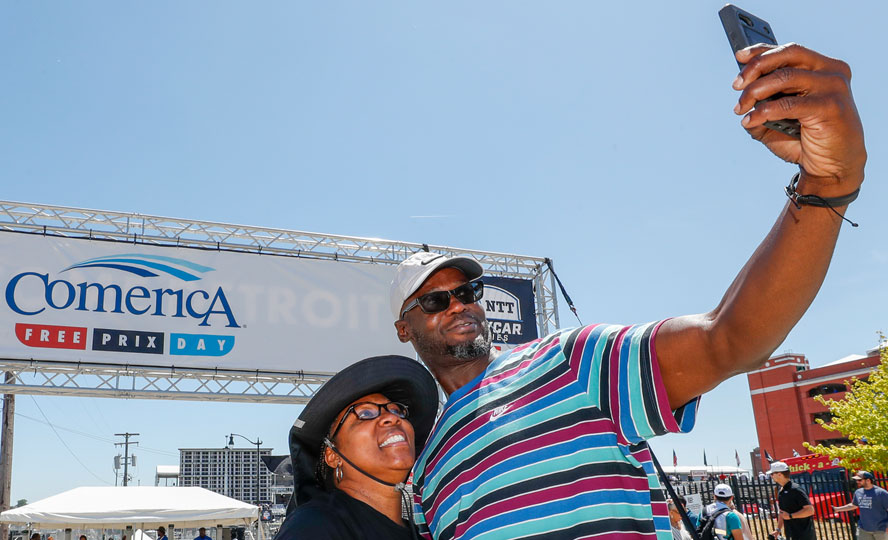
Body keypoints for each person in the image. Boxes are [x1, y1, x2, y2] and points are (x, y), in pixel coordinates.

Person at [390, 42, 865, 539]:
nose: (460, 305)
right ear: (405, 329)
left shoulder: (568, 363)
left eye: (468, 291)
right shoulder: (424, 467)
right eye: (435, 300)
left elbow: (728, 339)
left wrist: (828, 183)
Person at [275, 355, 438, 540]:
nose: (393, 418)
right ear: (332, 455)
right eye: (366, 413)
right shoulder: (314, 526)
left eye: (396, 410)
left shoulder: (422, 533)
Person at [833, 470, 888, 540]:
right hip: (863, 529)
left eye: (859, 480)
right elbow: (854, 505)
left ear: (868, 480)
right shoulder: (858, 492)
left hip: (881, 529)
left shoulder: (881, 493)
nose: (857, 482)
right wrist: (838, 509)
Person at [768, 461, 815, 540]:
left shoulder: (796, 489)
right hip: (791, 534)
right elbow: (782, 513)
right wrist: (778, 530)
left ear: (780, 474)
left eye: (772, 474)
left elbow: (810, 510)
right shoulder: (781, 491)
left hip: (804, 535)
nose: (771, 476)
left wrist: (790, 516)